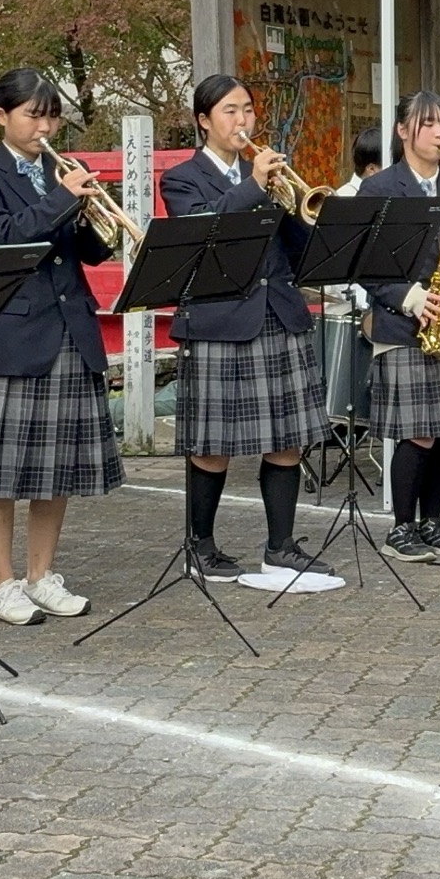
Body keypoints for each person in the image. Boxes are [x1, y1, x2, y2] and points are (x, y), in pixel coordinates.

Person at [0, 69, 122, 624]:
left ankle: (41, 574)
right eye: (33, 115)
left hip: (72, 325)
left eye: (52, 116)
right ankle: (1, 583)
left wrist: (98, 214)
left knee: (60, 467)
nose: (45, 126)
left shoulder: (60, 170)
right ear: (1, 117)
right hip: (17, 330)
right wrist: (59, 198)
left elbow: (91, 254)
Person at [157, 76, 334, 581]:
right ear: (204, 121)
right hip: (219, 320)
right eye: (230, 111)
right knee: (213, 446)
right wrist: (254, 185)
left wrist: (304, 213)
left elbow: (301, 252)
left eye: (248, 111)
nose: (243, 121)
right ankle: (201, 545)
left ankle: (280, 546)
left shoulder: (271, 178)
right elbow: (206, 232)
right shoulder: (183, 178)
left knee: (288, 438)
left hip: (279, 311)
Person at [355, 91, 440, 562]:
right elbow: (365, 264)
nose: (439, 133)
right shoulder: (379, 188)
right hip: (403, 323)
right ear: (402, 131)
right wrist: (411, 298)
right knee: (420, 430)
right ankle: (401, 528)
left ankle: (433, 523)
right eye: (428, 123)